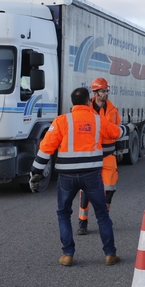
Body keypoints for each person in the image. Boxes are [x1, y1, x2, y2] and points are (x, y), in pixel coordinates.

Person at [30, 86, 125, 267]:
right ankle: (110, 254)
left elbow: (46, 148)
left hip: (66, 177)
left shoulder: (61, 121)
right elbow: (116, 132)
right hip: (92, 175)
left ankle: (67, 255)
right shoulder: (97, 120)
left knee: (64, 213)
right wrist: (126, 129)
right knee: (102, 214)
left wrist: (35, 172)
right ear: (88, 101)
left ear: (72, 103)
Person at [77, 77, 121, 235]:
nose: (106, 93)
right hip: (89, 155)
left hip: (108, 154)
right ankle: (82, 221)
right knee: (86, 190)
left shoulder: (113, 110)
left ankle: (104, 217)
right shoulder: (85, 109)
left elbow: (116, 130)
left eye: (107, 90)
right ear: (95, 93)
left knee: (110, 188)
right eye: (103, 91)